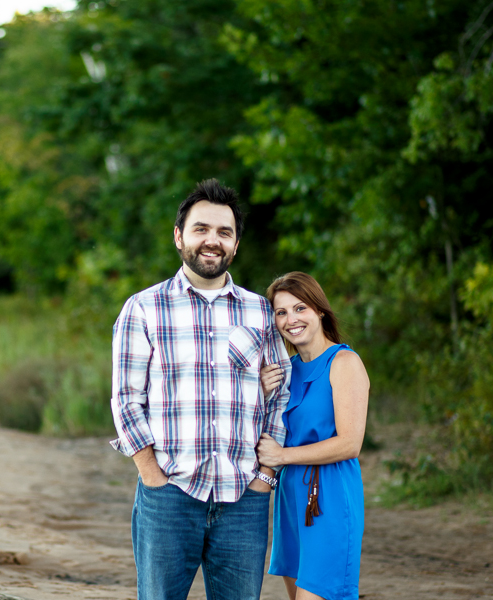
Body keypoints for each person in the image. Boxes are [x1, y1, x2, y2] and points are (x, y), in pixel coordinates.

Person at [110, 178, 292, 600]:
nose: (212, 240)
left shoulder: (259, 311)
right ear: (179, 236)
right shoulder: (143, 308)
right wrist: (152, 475)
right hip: (170, 495)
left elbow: (281, 394)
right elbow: (126, 398)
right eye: (201, 229)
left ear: (236, 244)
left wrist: (265, 476)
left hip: (243, 497)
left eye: (224, 232)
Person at [257, 272, 370, 600]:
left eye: (300, 308)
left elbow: (350, 443)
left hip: (329, 497)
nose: (291, 319)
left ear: (319, 310)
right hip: (290, 498)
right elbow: (264, 436)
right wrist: (259, 394)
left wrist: (283, 456)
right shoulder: (284, 370)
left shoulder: (344, 362)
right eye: (281, 312)